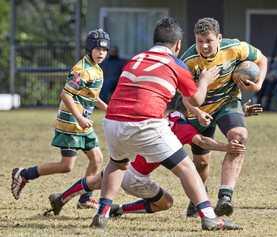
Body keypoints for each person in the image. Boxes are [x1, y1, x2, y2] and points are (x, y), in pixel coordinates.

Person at [90, 16, 241, 231]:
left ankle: (102, 213)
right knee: (186, 167)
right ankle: (209, 217)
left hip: (113, 121)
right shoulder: (176, 64)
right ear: (178, 45)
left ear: (155, 40)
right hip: (146, 121)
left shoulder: (136, 58)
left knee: (117, 163)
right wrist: (205, 80)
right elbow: (196, 99)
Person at [46, 110, 247, 216]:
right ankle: (120, 209)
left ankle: (61, 198)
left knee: (99, 179)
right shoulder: (184, 128)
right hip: (134, 178)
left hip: (124, 160)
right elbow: (202, 141)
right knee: (166, 202)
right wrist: (226, 147)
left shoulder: (162, 118)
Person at [10, 29, 110, 209]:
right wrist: (79, 117)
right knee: (66, 166)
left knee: (97, 159)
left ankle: (85, 199)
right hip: (71, 123)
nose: (101, 53)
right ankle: (24, 174)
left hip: (83, 123)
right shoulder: (82, 70)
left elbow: (91, 96)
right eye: (97, 49)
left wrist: (107, 109)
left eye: (104, 50)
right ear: (90, 49)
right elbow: (65, 94)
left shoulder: (97, 70)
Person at [180, 17, 268, 218]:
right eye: (199, 41)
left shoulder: (236, 48)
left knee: (239, 137)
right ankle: (197, 200)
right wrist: (198, 113)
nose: (204, 46)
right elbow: (185, 98)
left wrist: (259, 84)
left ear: (219, 38)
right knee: (201, 162)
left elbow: (262, 59)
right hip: (199, 110)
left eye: (209, 41)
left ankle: (225, 197)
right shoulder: (188, 61)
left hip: (228, 102)